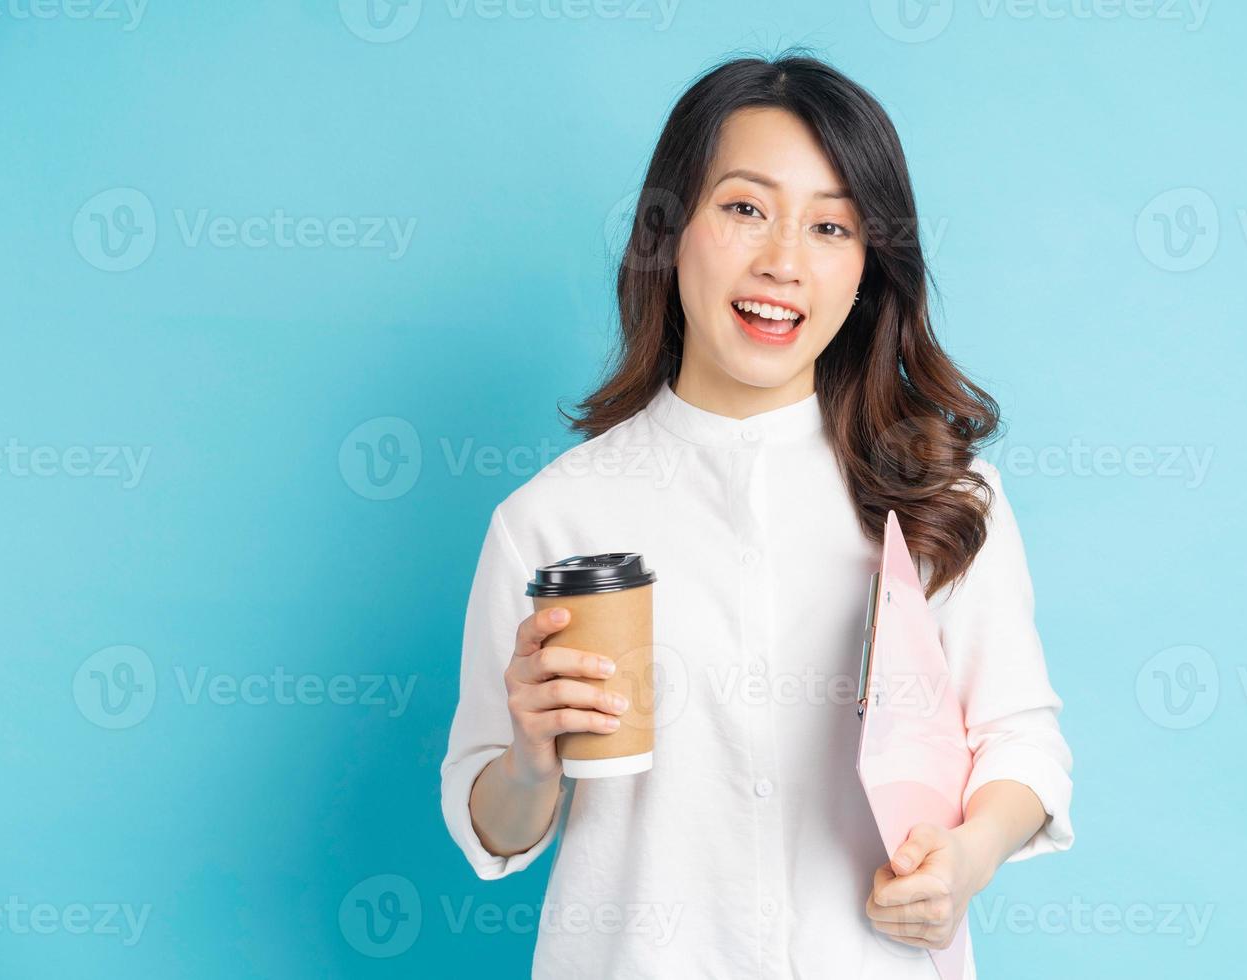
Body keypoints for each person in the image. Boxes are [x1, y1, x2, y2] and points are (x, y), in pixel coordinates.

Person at [440, 50, 1074, 979]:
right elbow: (490, 819)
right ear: (671, 228)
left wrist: (966, 859)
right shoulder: (552, 519)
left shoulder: (938, 492)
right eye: (745, 208)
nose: (783, 262)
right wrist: (531, 759)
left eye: (830, 227)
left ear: (867, 269)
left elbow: (1021, 737)